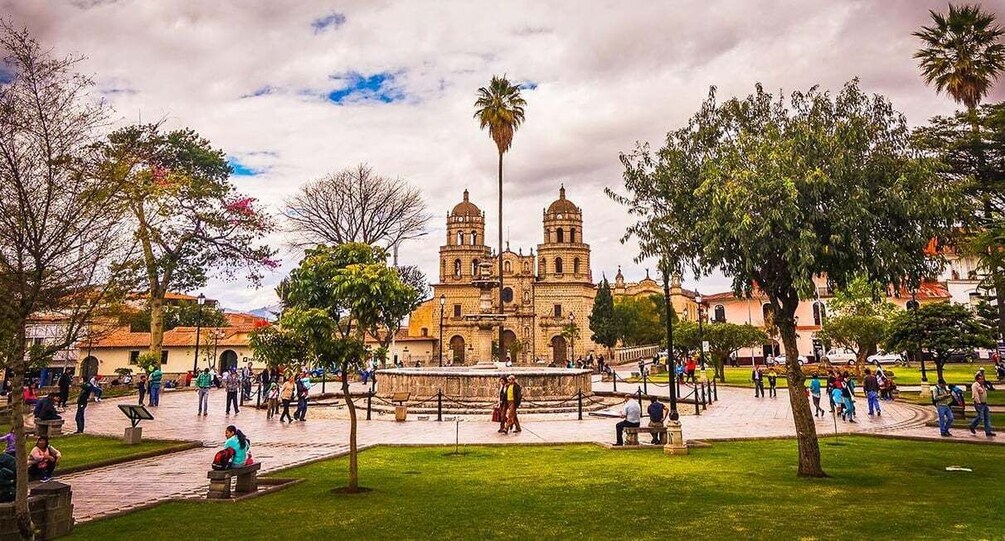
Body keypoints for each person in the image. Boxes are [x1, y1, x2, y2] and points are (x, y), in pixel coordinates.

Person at [969, 372, 996, 437]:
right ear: (977, 379)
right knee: (980, 417)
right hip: (979, 404)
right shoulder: (975, 385)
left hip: (984, 403)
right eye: (980, 379)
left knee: (987, 417)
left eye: (983, 379)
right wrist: (978, 403)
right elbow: (975, 394)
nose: (982, 380)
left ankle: (988, 431)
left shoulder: (983, 385)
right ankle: (972, 425)